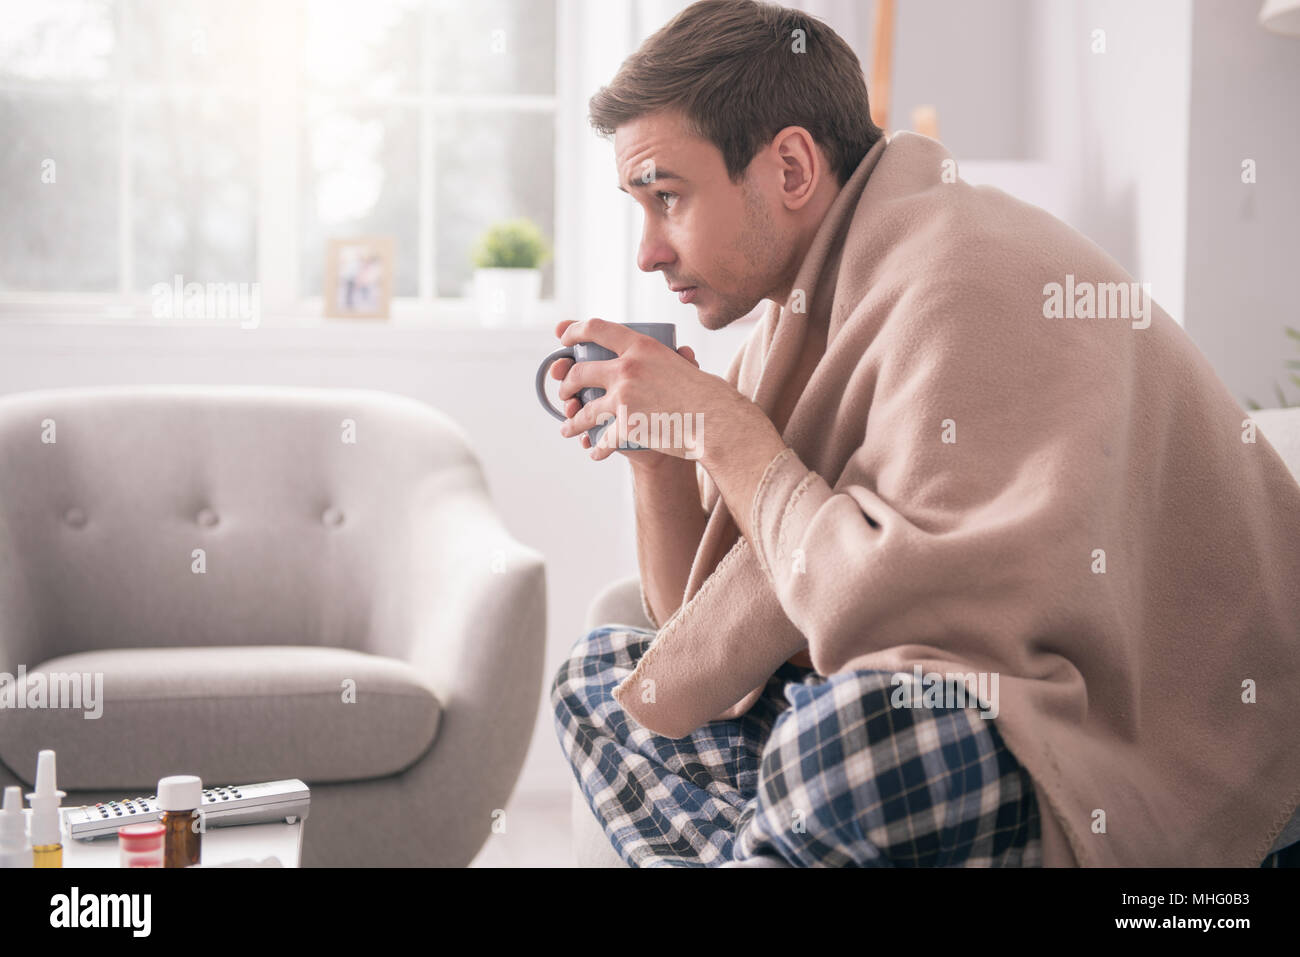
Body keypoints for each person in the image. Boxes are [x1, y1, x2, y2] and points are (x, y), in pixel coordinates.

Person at [549, 0, 1300, 867]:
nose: (647, 251)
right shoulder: (792, 327)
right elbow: (701, 638)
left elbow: (895, 628)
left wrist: (724, 427)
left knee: (855, 737)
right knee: (604, 679)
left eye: (667, 198)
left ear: (791, 167)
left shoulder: (961, 271)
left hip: (1127, 742)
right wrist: (659, 457)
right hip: (933, 724)